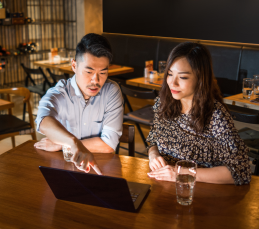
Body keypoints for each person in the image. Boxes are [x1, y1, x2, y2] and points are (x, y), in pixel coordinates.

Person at [147, 42, 251, 185]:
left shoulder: (215, 114)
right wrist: (153, 155)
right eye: (170, 74)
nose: (173, 83)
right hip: (164, 186)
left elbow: (240, 170)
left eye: (183, 77)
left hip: (200, 192)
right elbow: (153, 138)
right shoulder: (163, 103)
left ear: (200, 79)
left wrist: (180, 172)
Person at [34, 33, 123, 175]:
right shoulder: (59, 92)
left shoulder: (111, 91)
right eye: (89, 71)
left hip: (101, 169)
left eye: (103, 72)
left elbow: (108, 145)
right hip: (65, 169)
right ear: (74, 65)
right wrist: (72, 143)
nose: (96, 80)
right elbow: (43, 121)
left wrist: (61, 144)